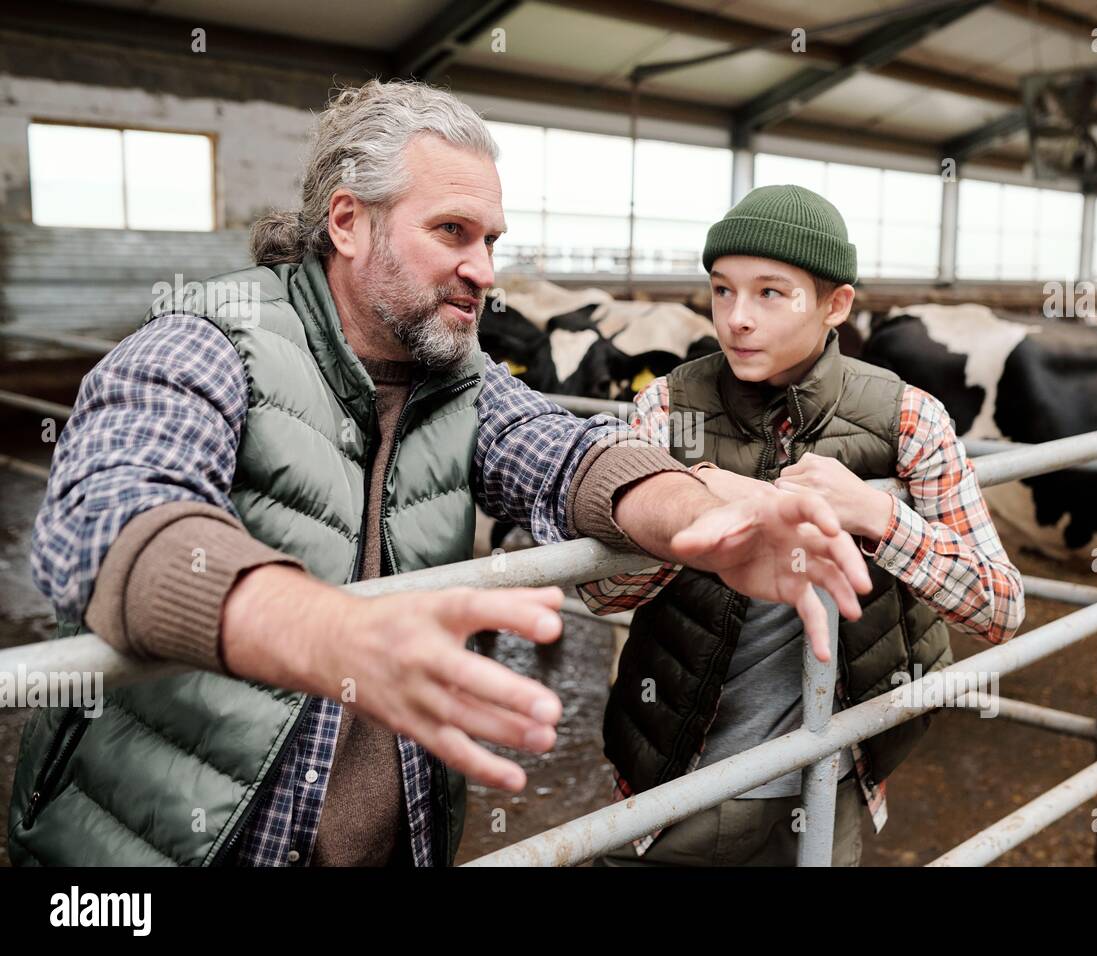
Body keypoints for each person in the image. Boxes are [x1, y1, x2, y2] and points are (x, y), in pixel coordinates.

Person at [7, 85, 874, 867]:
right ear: (347, 223)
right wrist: (333, 633)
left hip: (402, 837)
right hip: (179, 843)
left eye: (491, 240)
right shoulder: (206, 341)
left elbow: (565, 452)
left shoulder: (457, 374)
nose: (486, 272)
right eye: (452, 232)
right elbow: (109, 514)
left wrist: (695, 516)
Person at [582, 184, 1026, 866]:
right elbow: (600, 593)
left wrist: (880, 515)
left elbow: (999, 606)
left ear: (836, 306)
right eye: (722, 290)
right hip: (676, 767)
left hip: (830, 774)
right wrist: (699, 508)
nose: (737, 320)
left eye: (770, 293)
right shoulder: (667, 407)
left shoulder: (910, 419)